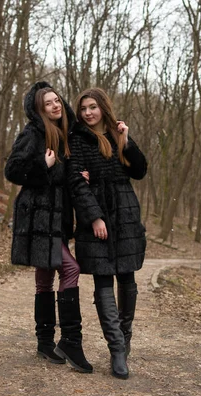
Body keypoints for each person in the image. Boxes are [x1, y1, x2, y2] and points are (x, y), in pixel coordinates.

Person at [4, 81, 92, 374]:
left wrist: (77, 175)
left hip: (58, 218)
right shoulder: (33, 133)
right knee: (71, 269)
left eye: (57, 101)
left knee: (45, 278)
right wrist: (41, 164)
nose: (55, 106)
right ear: (39, 110)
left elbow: (63, 177)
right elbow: (13, 169)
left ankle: (44, 343)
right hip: (39, 219)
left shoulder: (66, 134)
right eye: (48, 104)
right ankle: (70, 341)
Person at [66, 87, 147, 380]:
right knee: (103, 280)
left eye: (92, 107)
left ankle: (125, 343)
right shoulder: (76, 139)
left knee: (127, 278)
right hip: (97, 216)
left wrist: (127, 142)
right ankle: (115, 349)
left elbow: (139, 171)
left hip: (125, 213)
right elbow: (75, 181)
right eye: (83, 108)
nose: (88, 113)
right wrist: (95, 217)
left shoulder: (118, 134)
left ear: (103, 107)